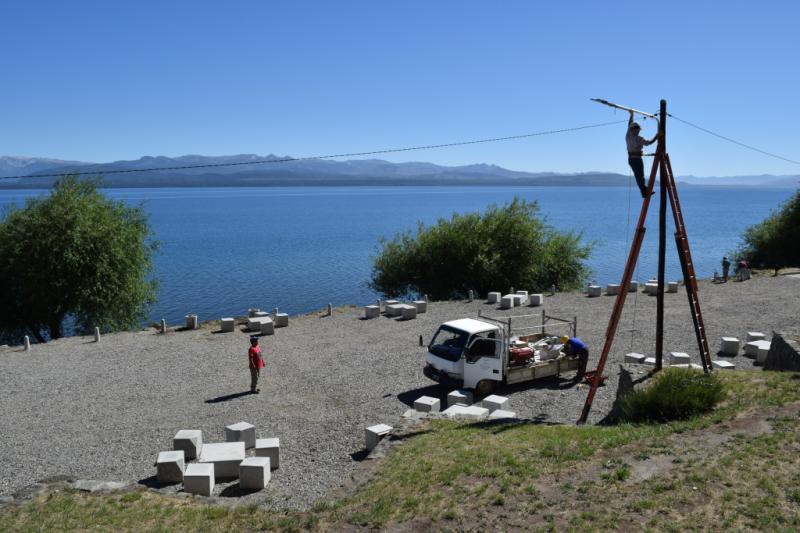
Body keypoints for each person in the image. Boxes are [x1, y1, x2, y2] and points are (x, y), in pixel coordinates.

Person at [626, 110, 659, 198]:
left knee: (639, 176)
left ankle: (644, 191)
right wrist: (657, 136)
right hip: (637, 159)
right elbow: (649, 143)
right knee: (640, 176)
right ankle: (644, 192)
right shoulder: (639, 138)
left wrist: (631, 115)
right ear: (637, 129)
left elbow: (629, 124)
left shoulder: (628, 135)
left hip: (631, 159)